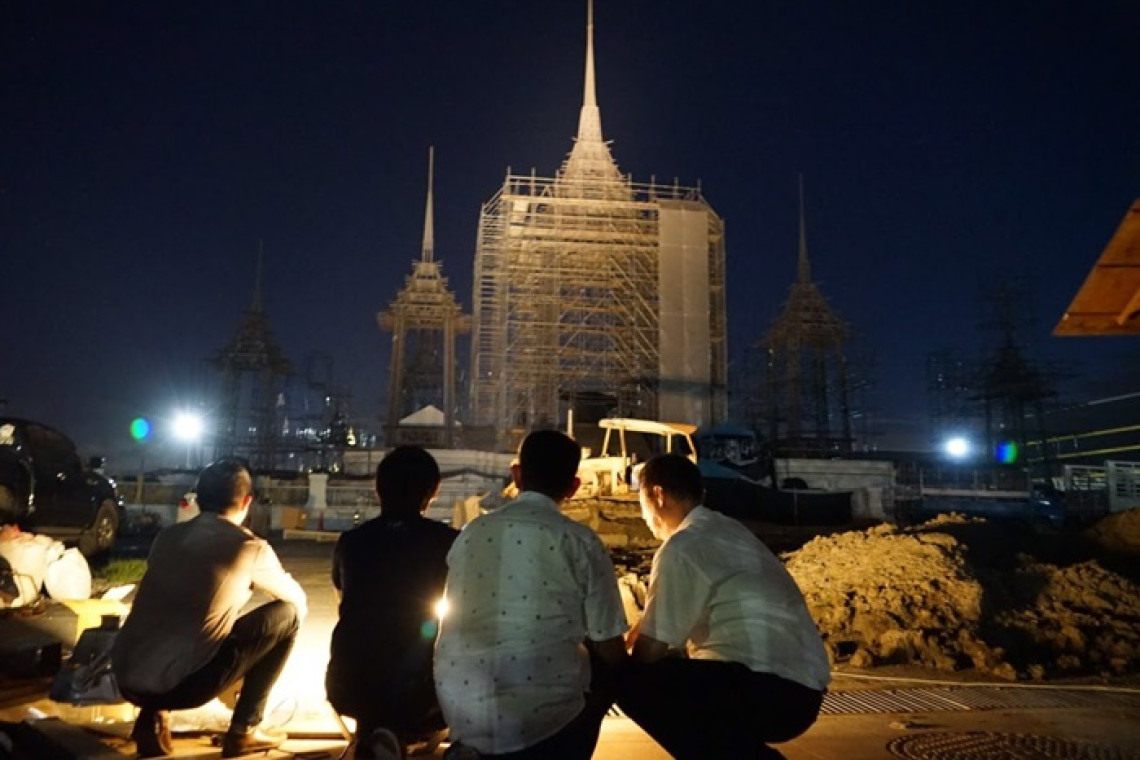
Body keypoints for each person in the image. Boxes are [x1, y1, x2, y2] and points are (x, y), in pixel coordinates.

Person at [619, 454, 830, 760]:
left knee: (628, 680)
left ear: (658, 495)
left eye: (641, 503)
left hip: (763, 689)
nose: (643, 516)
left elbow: (649, 653)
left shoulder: (683, 545)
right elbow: (665, 624)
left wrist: (610, 656)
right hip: (801, 693)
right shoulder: (727, 530)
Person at [434, 430, 628, 760]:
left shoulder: (471, 532)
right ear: (573, 487)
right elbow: (609, 644)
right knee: (612, 671)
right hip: (544, 724)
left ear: (517, 475)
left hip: (460, 708)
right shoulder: (579, 540)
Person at [112, 458, 307, 759]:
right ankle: (245, 729)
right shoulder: (249, 547)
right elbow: (297, 601)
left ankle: (150, 716)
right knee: (287, 617)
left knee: (180, 620)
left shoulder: (167, 537)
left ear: (198, 499)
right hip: (185, 687)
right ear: (247, 502)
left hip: (124, 679)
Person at [325, 446, 459, 758]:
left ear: (378, 489)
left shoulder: (351, 542)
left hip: (345, 687)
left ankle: (377, 734)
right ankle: (394, 734)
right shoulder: (447, 542)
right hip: (422, 693)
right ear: (432, 493)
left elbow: (343, 601)